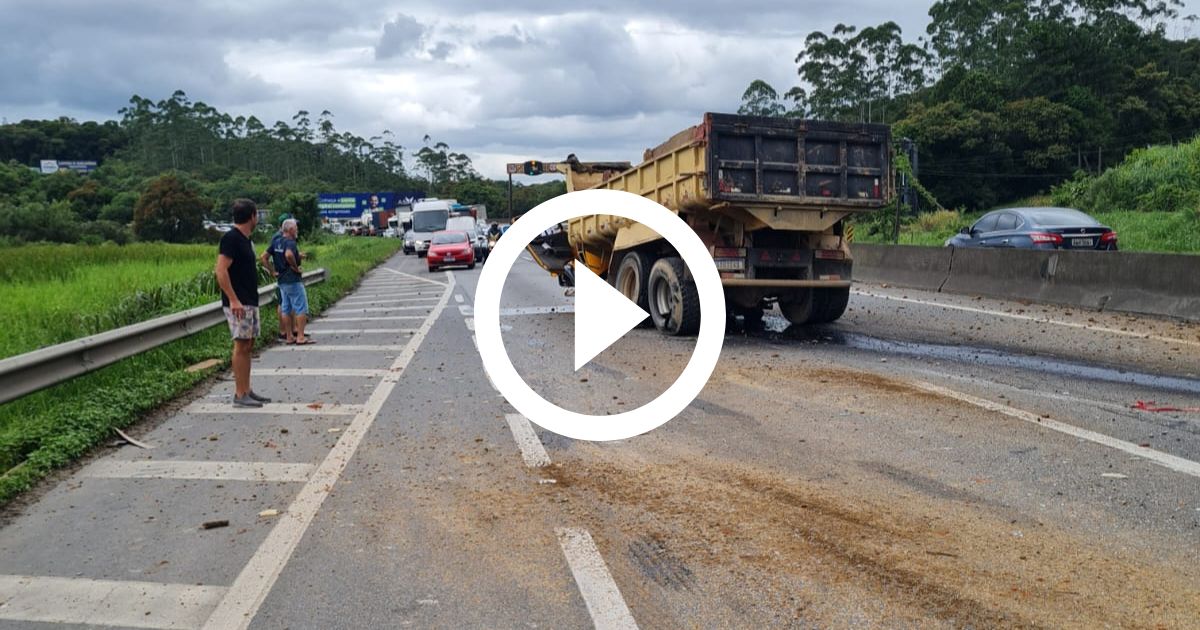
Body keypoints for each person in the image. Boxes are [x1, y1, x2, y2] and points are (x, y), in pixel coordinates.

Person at [215, 199, 270, 408]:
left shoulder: (246, 240)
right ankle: (239, 393)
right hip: (239, 303)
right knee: (241, 344)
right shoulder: (231, 239)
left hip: (249, 299)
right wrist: (233, 299)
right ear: (253, 216)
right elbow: (220, 270)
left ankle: (247, 389)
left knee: (249, 344)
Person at [275, 218, 314, 345]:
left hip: (281, 281)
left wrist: (272, 271)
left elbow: (264, 256)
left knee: (286, 308)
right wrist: (296, 268)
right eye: (296, 228)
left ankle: (289, 336)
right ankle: (301, 336)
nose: (297, 230)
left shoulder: (277, 241)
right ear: (291, 230)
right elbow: (288, 255)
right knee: (301, 307)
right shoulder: (290, 242)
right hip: (292, 280)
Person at [260, 213, 292, 341]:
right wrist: (273, 271)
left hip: (286, 275)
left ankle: (290, 331)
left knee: (288, 303)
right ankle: (283, 331)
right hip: (284, 275)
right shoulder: (278, 238)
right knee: (282, 303)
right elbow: (265, 256)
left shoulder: (280, 237)